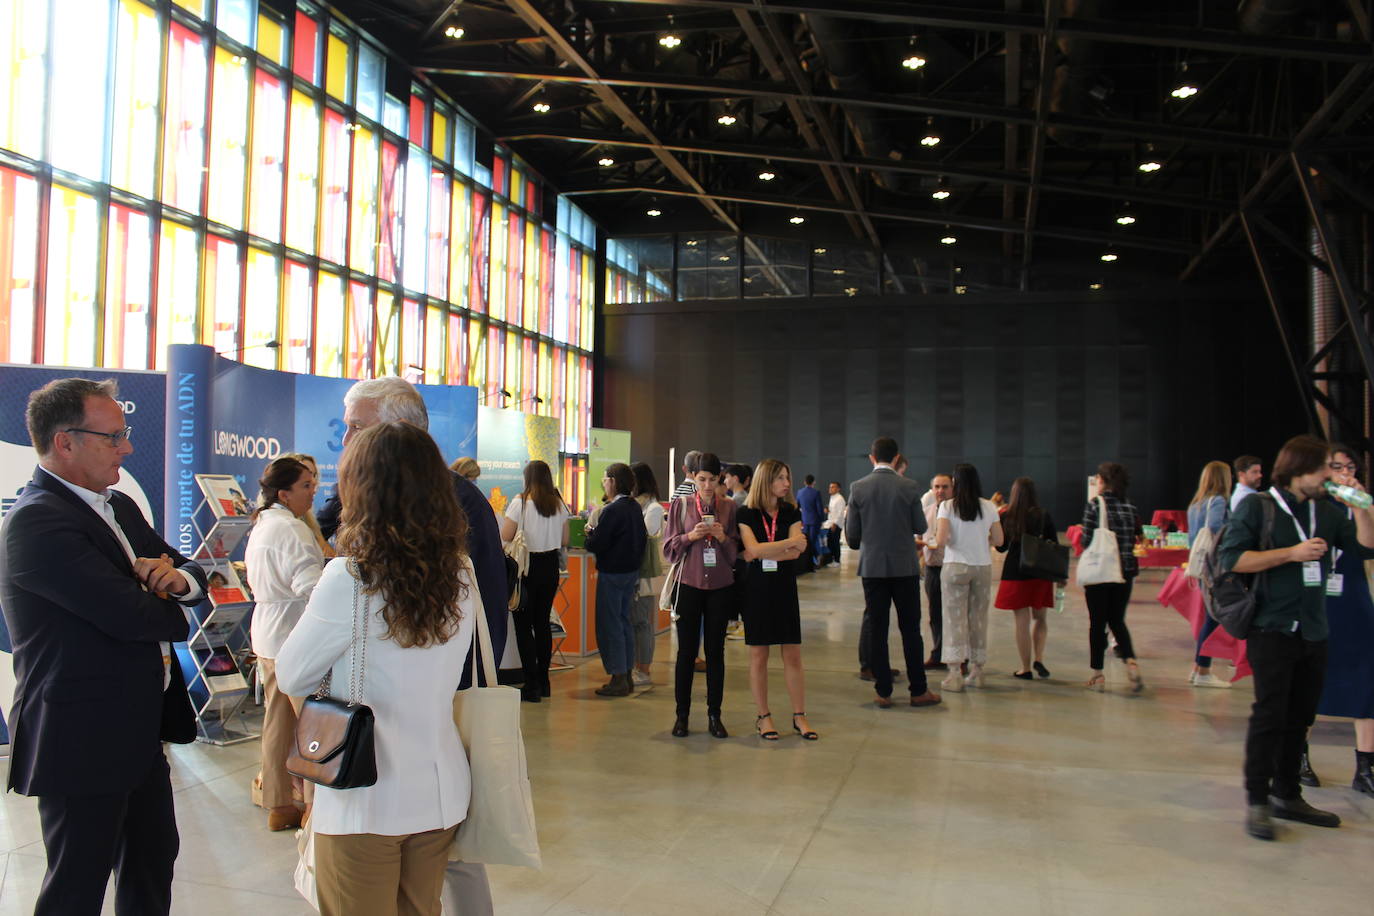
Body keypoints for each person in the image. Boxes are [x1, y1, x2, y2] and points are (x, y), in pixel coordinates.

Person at [0, 378, 208, 915]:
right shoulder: (37, 522)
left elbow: (188, 572)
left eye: (125, 433)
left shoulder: (117, 506)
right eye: (113, 437)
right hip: (79, 736)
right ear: (65, 442)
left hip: (137, 728)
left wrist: (177, 584)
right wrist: (164, 601)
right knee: (77, 884)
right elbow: (135, 616)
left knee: (152, 861)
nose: (128, 447)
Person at [314, 376, 505, 909]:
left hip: (425, 726)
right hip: (420, 748)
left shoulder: (455, 503)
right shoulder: (420, 512)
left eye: (356, 428)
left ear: (395, 432)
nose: (345, 441)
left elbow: (481, 614)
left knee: (457, 864)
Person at [277, 421, 479, 915]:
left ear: (361, 490)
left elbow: (293, 675)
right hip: (440, 790)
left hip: (362, 793)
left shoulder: (348, 578)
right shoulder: (460, 573)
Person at [1218, 434, 1374, 840]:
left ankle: (1288, 794)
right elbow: (1233, 559)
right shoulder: (1258, 506)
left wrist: (1362, 508)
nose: (1331, 475)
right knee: (1270, 715)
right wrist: (1290, 553)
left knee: (1300, 716)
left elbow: (1365, 549)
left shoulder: (1325, 510)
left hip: (1314, 629)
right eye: (1325, 468)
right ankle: (1258, 800)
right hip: (1271, 628)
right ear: (1299, 469)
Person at [245, 456, 324, 832]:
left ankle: (278, 803)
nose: (313, 492)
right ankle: (312, 806)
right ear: (283, 493)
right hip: (294, 635)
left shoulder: (262, 525)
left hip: (267, 633)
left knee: (277, 724)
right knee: (312, 726)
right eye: (306, 486)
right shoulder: (292, 531)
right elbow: (311, 588)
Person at [846, 437, 941, 709]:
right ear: (897, 458)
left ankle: (883, 691)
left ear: (871, 458)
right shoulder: (909, 487)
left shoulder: (858, 488)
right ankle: (918, 691)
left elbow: (852, 538)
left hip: (873, 568)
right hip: (904, 568)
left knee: (877, 628)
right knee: (911, 629)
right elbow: (920, 525)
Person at [662, 451, 741, 737]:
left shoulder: (729, 508)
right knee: (685, 652)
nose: (707, 485)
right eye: (702, 479)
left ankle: (714, 715)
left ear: (720, 478)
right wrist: (690, 536)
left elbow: (735, 556)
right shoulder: (681, 506)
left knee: (715, 653)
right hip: (689, 585)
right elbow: (668, 549)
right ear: (694, 478)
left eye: (712, 479)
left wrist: (721, 537)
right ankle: (681, 715)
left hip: (720, 586)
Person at [737, 459, 816, 741]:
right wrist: (781, 546)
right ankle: (764, 716)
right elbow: (753, 549)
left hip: (784, 587)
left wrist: (762, 551)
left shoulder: (791, 510)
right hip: (756, 589)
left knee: (792, 653)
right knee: (759, 655)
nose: (786, 483)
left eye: (787, 477)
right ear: (766, 480)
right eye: (781, 478)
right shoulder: (745, 513)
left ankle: (799, 715)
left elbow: (796, 552)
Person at [1313, 444, 1374, 797]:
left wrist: (1363, 508)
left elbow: (1368, 547)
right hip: (1315, 599)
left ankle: (1365, 765)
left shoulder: (1360, 505)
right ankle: (1298, 758)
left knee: (1367, 676)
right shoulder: (1311, 506)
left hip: (1353, 598)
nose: (1345, 473)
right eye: (1337, 467)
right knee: (1307, 680)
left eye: (1351, 467)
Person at [929, 463, 1004, 691]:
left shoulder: (948, 507)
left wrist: (930, 542)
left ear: (956, 483)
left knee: (953, 619)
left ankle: (954, 674)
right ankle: (977, 671)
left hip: (955, 566)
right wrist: (982, 541)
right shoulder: (989, 506)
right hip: (982, 567)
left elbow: (941, 541)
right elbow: (1000, 541)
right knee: (978, 619)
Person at [501, 460, 570, 703]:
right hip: (550, 566)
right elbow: (564, 538)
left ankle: (531, 685)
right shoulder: (558, 504)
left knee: (522, 626)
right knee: (542, 624)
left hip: (526, 568)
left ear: (527, 478)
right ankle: (544, 681)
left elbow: (506, 535)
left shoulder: (520, 502)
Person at [1080, 461, 1144, 693]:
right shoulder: (1130, 506)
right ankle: (1131, 661)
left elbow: (1087, 541)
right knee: (1117, 619)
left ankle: (1097, 674)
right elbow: (1139, 534)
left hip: (1101, 571)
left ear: (1104, 481)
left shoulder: (1095, 505)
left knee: (1098, 623)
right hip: (1125, 570)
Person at [584, 462, 647, 697]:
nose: (603, 484)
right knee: (623, 622)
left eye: (605, 480)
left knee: (610, 624)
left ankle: (618, 676)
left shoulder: (612, 511)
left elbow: (597, 543)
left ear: (612, 481)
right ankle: (626, 674)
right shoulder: (634, 508)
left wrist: (590, 536)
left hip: (612, 573)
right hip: (630, 573)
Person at [993, 477, 1056, 680]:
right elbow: (1053, 544)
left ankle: (1025, 668)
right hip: (1040, 571)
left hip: (1015, 572)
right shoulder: (1043, 515)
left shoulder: (1007, 515)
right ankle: (1039, 658)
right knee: (1040, 618)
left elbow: (1001, 546)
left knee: (1021, 621)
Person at [1187, 460, 1233, 688]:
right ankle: (1203, 669)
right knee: (1213, 619)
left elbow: (1191, 540)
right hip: (1216, 567)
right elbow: (1216, 528)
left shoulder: (1195, 504)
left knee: (1209, 617)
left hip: (1201, 566)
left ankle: (1198, 667)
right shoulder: (1219, 502)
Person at [631, 462, 666, 686]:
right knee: (636, 621)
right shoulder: (638, 505)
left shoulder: (653, 508)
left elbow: (644, 537)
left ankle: (644, 668)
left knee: (642, 622)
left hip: (644, 572)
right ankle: (637, 666)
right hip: (635, 572)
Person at [919, 473, 953, 670]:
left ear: (953, 488)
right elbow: (918, 536)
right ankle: (938, 654)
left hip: (953, 568)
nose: (940, 491)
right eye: (937, 487)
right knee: (935, 614)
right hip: (932, 569)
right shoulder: (926, 511)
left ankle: (960, 657)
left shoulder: (958, 513)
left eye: (945, 487)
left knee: (956, 614)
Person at [280, 451, 336, 558]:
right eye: (306, 477)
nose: (313, 481)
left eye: (313, 475)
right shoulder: (283, 524)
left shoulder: (309, 519)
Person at [796, 474, 825, 572]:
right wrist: (821, 520)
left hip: (804, 521)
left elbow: (797, 507)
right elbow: (819, 509)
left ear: (804, 482)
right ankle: (815, 560)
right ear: (814, 482)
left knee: (807, 542)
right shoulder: (816, 493)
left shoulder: (799, 492)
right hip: (814, 521)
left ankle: (811, 562)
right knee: (812, 541)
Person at [823, 481, 846, 567]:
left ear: (838, 489)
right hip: (830, 523)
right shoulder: (832, 498)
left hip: (835, 525)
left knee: (835, 542)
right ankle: (832, 559)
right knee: (830, 542)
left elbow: (840, 513)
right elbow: (833, 510)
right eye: (830, 487)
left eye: (833, 487)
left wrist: (835, 524)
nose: (830, 489)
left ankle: (837, 560)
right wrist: (828, 510)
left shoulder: (840, 499)